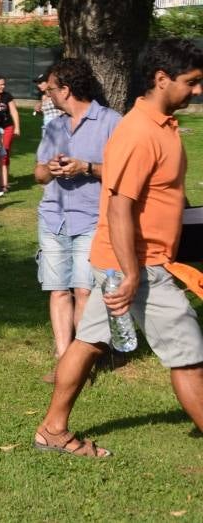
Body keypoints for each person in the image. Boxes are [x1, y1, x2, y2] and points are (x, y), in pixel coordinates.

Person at [34, 38, 203, 458]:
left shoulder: (160, 124)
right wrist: (130, 274)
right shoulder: (139, 131)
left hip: (131, 262)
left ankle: (53, 431)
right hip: (141, 266)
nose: (198, 90)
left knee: (89, 342)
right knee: (190, 358)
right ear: (162, 80)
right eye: (192, 82)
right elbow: (119, 207)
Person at [34, 58, 122, 384]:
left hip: (93, 220)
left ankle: (82, 364)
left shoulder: (112, 122)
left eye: (52, 89)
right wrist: (52, 169)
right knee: (58, 291)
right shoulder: (54, 126)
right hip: (53, 218)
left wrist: (86, 167)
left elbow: (126, 172)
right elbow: (39, 174)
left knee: (84, 291)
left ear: (66, 89)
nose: (49, 94)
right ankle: (63, 360)